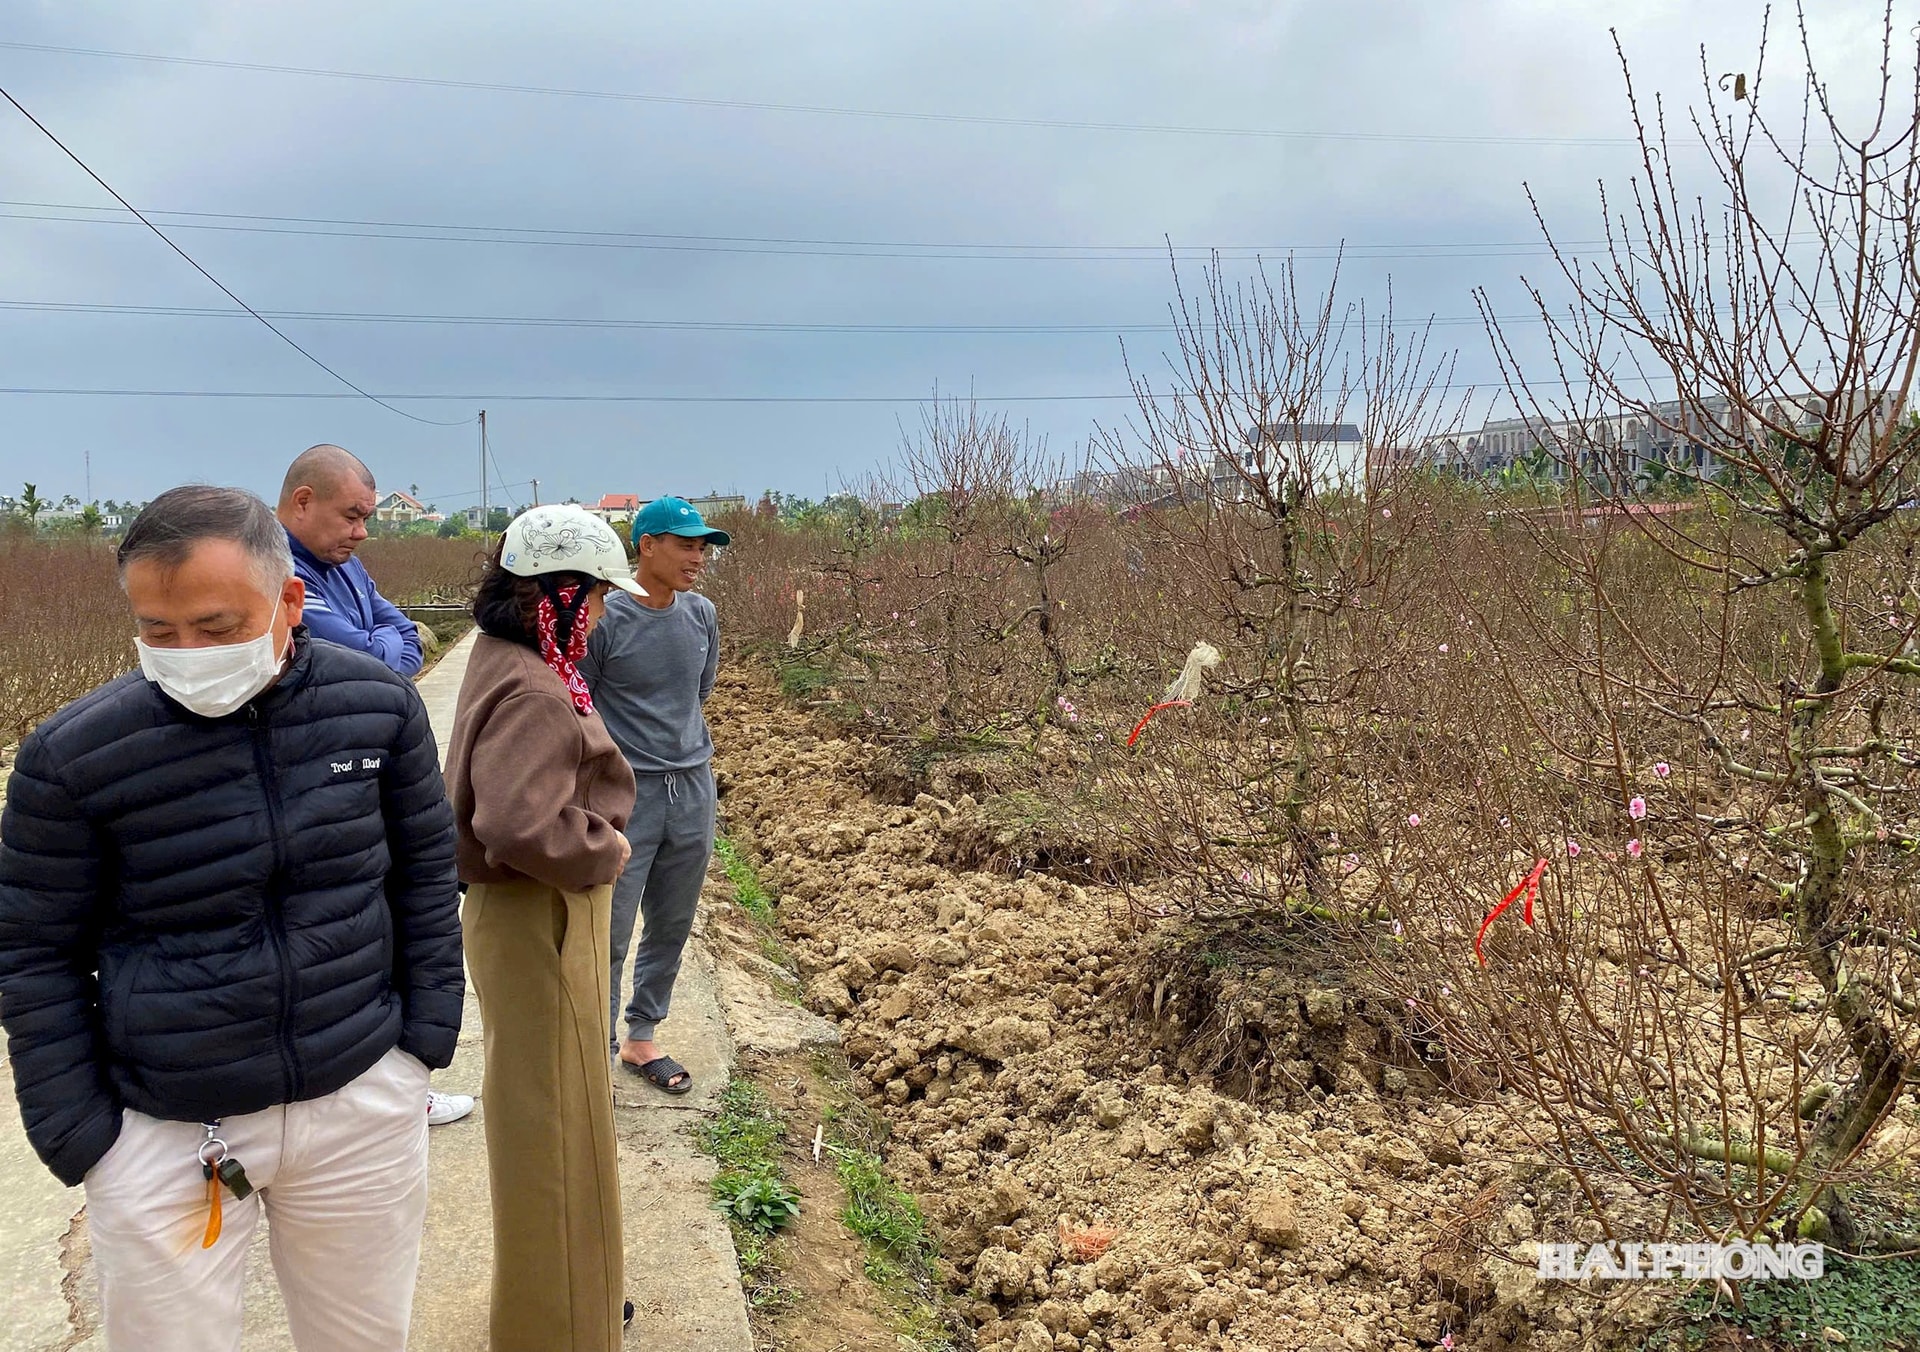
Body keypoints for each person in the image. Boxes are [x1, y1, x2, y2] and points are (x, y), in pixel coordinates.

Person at [0, 486, 464, 1352]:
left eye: (216, 628)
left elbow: (427, 875)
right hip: (168, 1130)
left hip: (359, 1098)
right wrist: (84, 1135)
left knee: (364, 1339)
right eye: (158, 631)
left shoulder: (378, 710)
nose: (188, 653)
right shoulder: (73, 758)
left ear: (290, 600)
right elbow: (32, 952)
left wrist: (419, 1046)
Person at [444, 504, 646, 1351]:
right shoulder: (532, 685)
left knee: (553, 1116)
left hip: (528, 910)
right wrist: (604, 844)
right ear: (559, 595)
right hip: (542, 909)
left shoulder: (515, 656)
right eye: (596, 596)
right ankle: (555, 1328)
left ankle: (573, 1304)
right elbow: (519, 826)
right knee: (553, 1127)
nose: (600, 614)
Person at [276, 443, 472, 1127]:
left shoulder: (345, 566)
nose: (363, 532)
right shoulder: (273, 573)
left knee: (390, 912)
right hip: (314, 772)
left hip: (368, 762)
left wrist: (388, 646)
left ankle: (396, 1086)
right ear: (303, 501)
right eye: (352, 516)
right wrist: (388, 649)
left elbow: (396, 636)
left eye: (366, 518)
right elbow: (372, 657)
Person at [581, 495, 728, 1096]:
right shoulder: (606, 619)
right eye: (686, 544)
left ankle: (641, 1035)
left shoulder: (701, 616)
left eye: (703, 546)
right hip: (627, 794)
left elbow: (702, 690)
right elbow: (580, 704)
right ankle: (590, 1046)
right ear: (647, 545)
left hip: (693, 787)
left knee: (672, 920)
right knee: (610, 929)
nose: (698, 556)